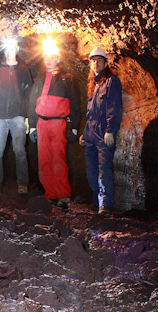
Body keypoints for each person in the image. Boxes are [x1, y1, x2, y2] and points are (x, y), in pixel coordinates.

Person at [27, 38, 80, 206]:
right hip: (42, 123)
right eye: (46, 57)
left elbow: (75, 103)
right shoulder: (39, 78)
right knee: (44, 160)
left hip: (59, 123)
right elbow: (32, 102)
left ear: (58, 58)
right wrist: (33, 125)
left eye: (52, 56)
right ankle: (50, 194)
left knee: (58, 159)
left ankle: (63, 194)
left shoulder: (67, 79)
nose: (48, 60)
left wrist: (74, 127)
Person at [0, 38, 33, 196]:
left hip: (17, 116)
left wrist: (26, 115)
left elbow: (29, 94)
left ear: (17, 49)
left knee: (20, 151)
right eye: (7, 49)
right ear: (4, 51)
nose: (10, 51)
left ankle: (22, 184)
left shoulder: (24, 69)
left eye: (13, 48)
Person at [79, 48, 123, 215]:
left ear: (105, 63)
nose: (95, 63)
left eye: (99, 60)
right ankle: (96, 201)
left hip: (103, 131)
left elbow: (114, 107)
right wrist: (84, 132)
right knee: (91, 170)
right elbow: (89, 113)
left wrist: (111, 130)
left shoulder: (112, 82)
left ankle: (105, 205)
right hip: (91, 132)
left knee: (104, 169)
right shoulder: (93, 85)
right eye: (93, 60)